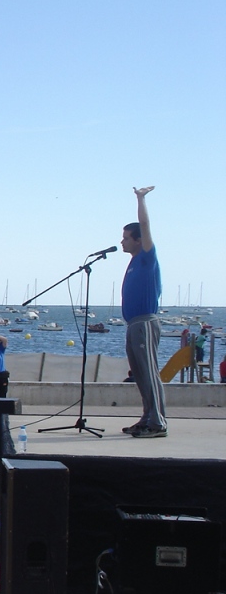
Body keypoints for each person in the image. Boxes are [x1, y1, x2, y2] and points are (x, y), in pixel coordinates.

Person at [121, 186, 167, 438]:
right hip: (132, 324)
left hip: (145, 323)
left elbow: (145, 225)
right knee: (139, 374)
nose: (122, 241)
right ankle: (147, 417)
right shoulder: (133, 261)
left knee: (149, 372)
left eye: (126, 238)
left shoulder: (147, 257)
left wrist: (140, 199)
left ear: (138, 240)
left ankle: (158, 423)